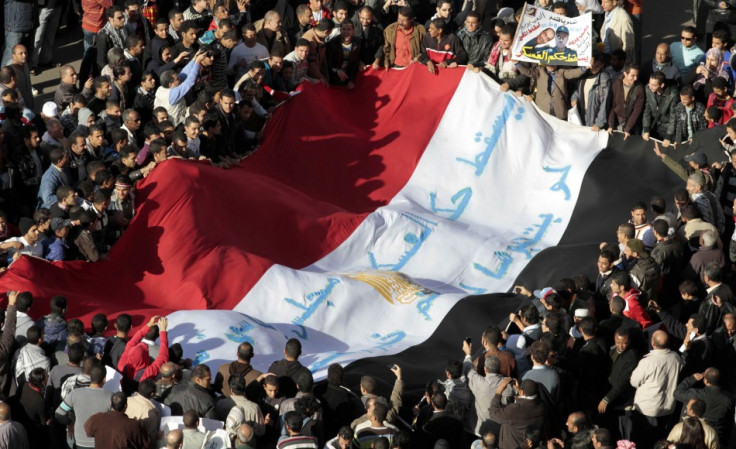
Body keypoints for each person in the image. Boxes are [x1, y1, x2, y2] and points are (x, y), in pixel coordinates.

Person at [630, 331, 683, 446]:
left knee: (643, 442)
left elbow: (634, 381)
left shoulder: (647, 361)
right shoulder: (675, 357)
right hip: (667, 408)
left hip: (647, 410)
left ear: (652, 342)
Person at [55, 366, 113, 449]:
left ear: (90, 377)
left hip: (80, 441)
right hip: (102, 441)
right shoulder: (110, 396)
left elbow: (59, 414)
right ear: (104, 379)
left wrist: (70, 423)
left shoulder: (74, 394)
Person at [673, 367, 735, 443]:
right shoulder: (729, 399)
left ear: (705, 380)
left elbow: (677, 393)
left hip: (693, 433)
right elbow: (729, 421)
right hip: (715, 436)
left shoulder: (695, 394)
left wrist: (692, 379)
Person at [490, 379, 545, 449]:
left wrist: (499, 391)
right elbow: (525, 403)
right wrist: (518, 392)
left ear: (522, 392)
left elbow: (493, 413)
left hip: (513, 446)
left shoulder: (514, 410)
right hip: (529, 444)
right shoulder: (541, 405)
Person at [84, 392, 151, 449]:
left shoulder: (97, 418)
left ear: (110, 403)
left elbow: (88, 432)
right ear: (126, 406)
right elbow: (145, 444)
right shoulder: (132, 425)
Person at [571, 52, 612, 131]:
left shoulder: (604, 80)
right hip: (582, 117)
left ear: (602, 65)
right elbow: (577, 91)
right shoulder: (583, 77)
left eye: (597, 66)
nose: (593, 68)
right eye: (592, 66)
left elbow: (605, 104)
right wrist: (574, 98)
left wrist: (599, 123)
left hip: (595, 121)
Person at [608, 63, 644, 139]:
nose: (636, 78)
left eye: (637, 75)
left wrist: (628, 129)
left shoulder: (639, 88)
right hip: (617, 122)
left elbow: (637, 110)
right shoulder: (616, 85)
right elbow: (612, 107)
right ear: (625, 74)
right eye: (633, 76)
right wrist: (611, 125)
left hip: (633, 124)